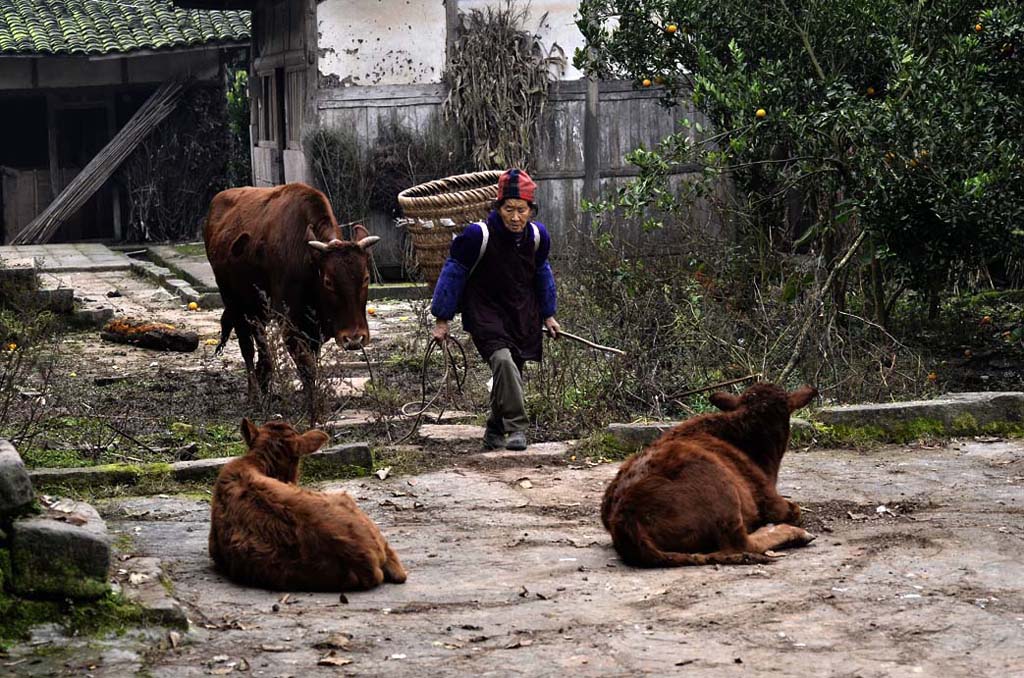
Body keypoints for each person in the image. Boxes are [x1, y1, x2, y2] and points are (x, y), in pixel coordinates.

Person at [430, 169, 560, 451]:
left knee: (510, 373)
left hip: (521, 314)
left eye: (522, 210)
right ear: (498, 207)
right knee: (502, 361)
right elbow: (453, 273)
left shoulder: (537, 237)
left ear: (531, 210)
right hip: (484, 313)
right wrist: (442, 319)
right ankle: (517, 428)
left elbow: (542, 273)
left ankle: (494, 428)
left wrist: (548, 314)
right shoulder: (478, 235)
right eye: (509, 209)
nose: (515, 217)